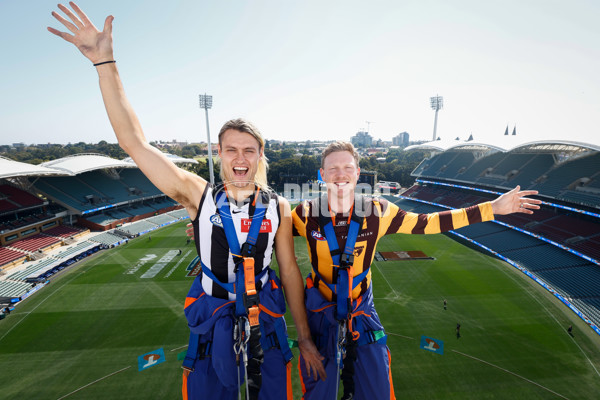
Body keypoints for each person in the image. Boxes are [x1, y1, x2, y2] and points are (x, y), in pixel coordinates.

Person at [47, 3, 325, 399]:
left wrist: (306, 338)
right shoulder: (198, 194)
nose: (240, 158)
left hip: (266, 321)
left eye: (249, 150)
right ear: (219, 153)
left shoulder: (278, 206)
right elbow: (133, 143)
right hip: (213, 323)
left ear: (261, 155)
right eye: (231, 150)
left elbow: (290, 272)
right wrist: (104, 61)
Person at [291, 141, 541, 399]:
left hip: (362, 313)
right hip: (320, 314)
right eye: (332, 168)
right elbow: (268, 235)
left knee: (378, 392)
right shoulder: (304, 214)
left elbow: (428, 223)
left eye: (347, 167)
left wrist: (492, 208)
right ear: (322, 174)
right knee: (317, 392)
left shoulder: (378, 211)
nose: (340, 174)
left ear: (357, 173)